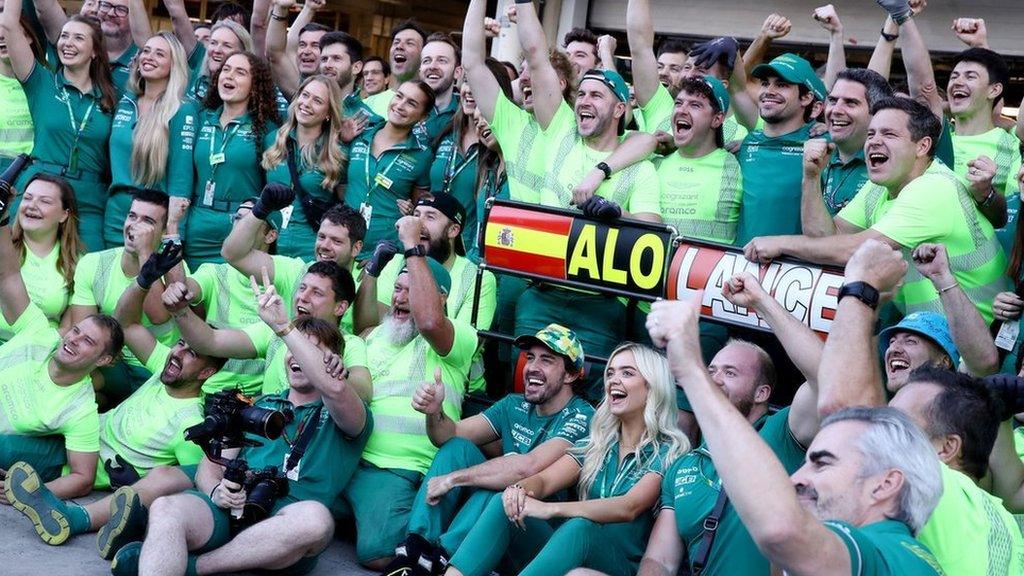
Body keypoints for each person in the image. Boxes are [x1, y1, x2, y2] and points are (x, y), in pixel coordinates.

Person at [645, 295, 944, 576]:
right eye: (711, 370)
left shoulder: (882, 553)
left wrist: (690, 369)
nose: (795, 478)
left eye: (822, 462)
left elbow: (828, 382)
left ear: (885, 484)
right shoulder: (889, 555)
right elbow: (659, 559)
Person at [116, 282, 371, 576]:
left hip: (286, 527)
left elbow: (335, 390)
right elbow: (210, 466)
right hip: (233, 509)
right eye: (293, 349)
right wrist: (216, 491)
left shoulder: (347, 410)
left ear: (331, 360)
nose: (296, 356)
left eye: (311, 350)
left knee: (316, 519)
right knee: (165, 508)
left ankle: (194, 566)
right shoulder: (262, 404)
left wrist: (284, 326)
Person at [815, 239, 1024, 575]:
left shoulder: (931, 484)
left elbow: (845, 416)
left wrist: (860, 289)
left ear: (946, 447)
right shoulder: (997, 518)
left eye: (899, 424)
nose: (880, 429)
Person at [3, 245, 224, 551]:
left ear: (205, 373)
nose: (178, 353)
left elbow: (196, 480)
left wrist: (135, 486)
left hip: (76, 467)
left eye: (192, 354)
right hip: (64, 441)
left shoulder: (191, 424)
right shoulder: (163, 365)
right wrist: (143, 282)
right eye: (181, 344)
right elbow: (126, 324)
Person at [744, 97, 1009, 324]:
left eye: (889, 134)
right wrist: (811, 177)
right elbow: (826, 237)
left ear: (922, 146)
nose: (873, 142)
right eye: (871, 134)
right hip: (929, 334)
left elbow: (854, 251)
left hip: (974, 346)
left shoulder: (934, 188)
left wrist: (780, 243)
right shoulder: (882, 183)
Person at [633, 268, 825, 575]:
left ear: (763, 392)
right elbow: (660, 559)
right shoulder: (685, 465)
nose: (716, 379)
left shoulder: (784, 433)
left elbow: (825, 375)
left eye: (730, 373)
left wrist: (762, 302)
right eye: (711, 370)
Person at [443, 343, 688, 576]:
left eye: (627, 373)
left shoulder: (668, 449)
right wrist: (520, 491)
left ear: (652, 386)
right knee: (504, 503)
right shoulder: (598, 442)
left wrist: (550, 509)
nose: (614, 379)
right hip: (568, 552)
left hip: (618, 566)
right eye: (611, 373)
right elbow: (545, 481)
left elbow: (629, 507)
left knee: (579, 527)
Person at [381, 324, 594, 575]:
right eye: (530, 358)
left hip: (538, 541)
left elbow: (527, 468)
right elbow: (447, 435)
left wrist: (454, 479)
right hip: (495, 521)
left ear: (570, 375)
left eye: (546, 360)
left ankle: (442, 558)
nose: (532, 367)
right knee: (457, 448)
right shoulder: (513, 405)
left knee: (501, 489)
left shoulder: (582, 416)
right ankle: (416, 550)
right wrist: (434, 412)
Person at [343, 243, 476, 570]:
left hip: (395, 469)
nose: (400, 298)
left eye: (412, 291)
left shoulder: (459, 336)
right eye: (398, 289)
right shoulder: (373, 334)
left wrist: (412, 245)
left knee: (377, 553)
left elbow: (430, 322)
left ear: (438, 298)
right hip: (346, 457)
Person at [0, 188, 123, 498]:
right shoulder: (39, 332)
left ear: (103, 360)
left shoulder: (80, 408)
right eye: (76, 331)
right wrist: (2, 216)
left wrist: (28, 495)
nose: (73, 340)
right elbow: (8, 276)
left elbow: (83, 476)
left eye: (87, 342)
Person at [163, 257, 372, 402]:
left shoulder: (351, 343)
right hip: (268, 432)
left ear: (340, 307)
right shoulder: (274, 331)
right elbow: (210, 342)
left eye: (316, 293)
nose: (303, 297)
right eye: (302, 288)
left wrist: (338, 374)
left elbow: (364, 392)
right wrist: (180, 311)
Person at [2, 1, 118, 251]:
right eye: (64, 36)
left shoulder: (111, 98)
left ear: (95, 51)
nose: (68, 43)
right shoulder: (41, 82)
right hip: (39, 189)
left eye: (78, 38)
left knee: (87, 270)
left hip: (88, 198)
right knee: (20, 267)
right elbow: (9, 26)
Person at [358, 192, 497, 393]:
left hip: (449, 388)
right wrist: (372, 272)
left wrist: (413, 248)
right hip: (384, 376)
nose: (417, 224)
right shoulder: (396, 261)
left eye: (430, 217)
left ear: (453, 230)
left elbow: (461, 346)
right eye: (416, 214)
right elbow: (367, 328)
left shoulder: (478, 278)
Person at [69, 189, 186, 405]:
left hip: (154, 370)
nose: (135, 225)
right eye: (132, 216)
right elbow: (82, 326)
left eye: (148, 221)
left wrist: (145, 253)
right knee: (76, 387)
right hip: (111, 365)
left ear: (162, 232)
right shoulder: (93, 264)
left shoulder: (173, 267)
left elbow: (159, 315)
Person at [462, 0, 575, 205]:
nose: (523, 78)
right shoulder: (511, 120)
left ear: (560, 84)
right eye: (521, 70)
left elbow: (535, 53)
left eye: (530, 71)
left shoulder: (565, 120)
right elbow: (472, 63)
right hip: (519, 233)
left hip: (561, 232)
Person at [184, 50, 280, 268]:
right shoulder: (202, 118)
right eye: (225, 70)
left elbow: (274, 185)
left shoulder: (267, 129)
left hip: (241, 227)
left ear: (254, 84)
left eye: (240, 72)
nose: (229, 76)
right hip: (198, 225)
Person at [105, 32, 198, 248]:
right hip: (116, 211)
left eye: (159, 54)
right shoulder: (125, 101)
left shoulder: (182, 109)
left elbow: (181, 175)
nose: (149, 57)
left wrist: (174, 230)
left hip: (153, 215)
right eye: (145, 51)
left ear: (174, 65)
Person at [181, 199, 283, 396]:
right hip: (208, 389)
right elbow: (183, 291)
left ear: (271, 235)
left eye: (250, 221)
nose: (239, 226)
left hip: (259, 398)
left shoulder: (286, 276)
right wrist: (172, 232)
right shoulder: (213, 271)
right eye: (237, 219)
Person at [222, 197, 366, 334]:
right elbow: (233, 254)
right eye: (321, 237)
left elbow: (369, 331)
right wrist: (261, 208)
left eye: (336, 241)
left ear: (356, 248)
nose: (324, 246)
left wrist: (372, 276)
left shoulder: (365, 282)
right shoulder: (294, 270)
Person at [733, 52, 826, 246]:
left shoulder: (823, 143)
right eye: (765, 83)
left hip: (796, 270)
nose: (769, 90)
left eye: (782, 85)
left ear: (807, 97)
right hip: (742, 263)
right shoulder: (748, 142)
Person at [343, 79, 434, 260]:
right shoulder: (360, 133)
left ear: (423, 116)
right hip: (345, 241)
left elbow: (419, 207)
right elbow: (340, 185)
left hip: (386, 250)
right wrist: (342, 140)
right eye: (399, 96)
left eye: (411, 103)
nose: (400, 105)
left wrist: (410, 210)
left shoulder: (422, 154)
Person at [262, 74, 348, 260]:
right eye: (305, 95)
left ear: (328, 113)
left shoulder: (338, 153)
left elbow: (345, 203)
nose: (307, 103)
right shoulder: (272, 140)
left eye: (317, 100)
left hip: (310, 249)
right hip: (269, 245)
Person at [801, 68, 893, 228]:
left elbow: (828, 239)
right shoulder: (816, 153)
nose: (836, 110)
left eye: (851, 103)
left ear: (877, 112)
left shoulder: (894, 163)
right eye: (833, 101)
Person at [0, 174, 81, 344]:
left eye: (45, 201)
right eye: (27, 198)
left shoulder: (78, 264)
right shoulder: (2, 243)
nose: (32, 205)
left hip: (38, 354)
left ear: (64, 215)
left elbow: (69, 329)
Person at [31, 0, 136, 88]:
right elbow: (45, 7)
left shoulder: (140, 55)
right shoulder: (66, 37)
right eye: (90, 3)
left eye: (103, 5)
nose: (95, 10)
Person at [0, 12, 44, 172]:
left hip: (36, 173)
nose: (2, 37)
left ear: (29, 37)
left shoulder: (46, 82)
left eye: (9, 33)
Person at [364, 20, 426, 118]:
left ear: (424, 55)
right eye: (396, 42)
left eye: (409, 43)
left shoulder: (430, 107)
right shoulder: (367, 105)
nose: (399, 47)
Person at [417, 32, 462, 143]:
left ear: (457, 72)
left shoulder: (466, 113)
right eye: (426, 61)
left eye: (442, 60)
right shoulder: (402, 107)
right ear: (419, 70)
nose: (432, 66)